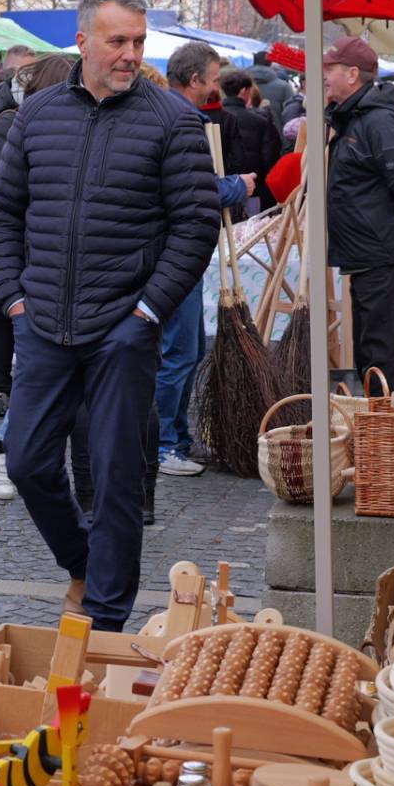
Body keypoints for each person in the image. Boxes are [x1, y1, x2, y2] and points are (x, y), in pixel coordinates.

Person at [0, 0, 216, 631]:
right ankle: (85, 567)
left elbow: (196, 225)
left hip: (123, 328)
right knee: (27, 460)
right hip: (44, 325)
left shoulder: (173, 120)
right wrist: (13, 298)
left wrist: (147, 313)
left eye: (138, 42)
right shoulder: (37, 115)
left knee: (117, 478)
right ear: (82, 41)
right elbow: (2, 211)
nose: (130, 54)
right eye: (117, 41)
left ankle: (107, 620)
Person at [0, 57, 77, 492]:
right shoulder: (15, 123)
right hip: (28, 261)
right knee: (36, 368)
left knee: (53, 374)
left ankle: (24, 452)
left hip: (57, 263)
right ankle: (4, 449)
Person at [156, 42, 254, 477]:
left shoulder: (170, 114)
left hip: (180, 251)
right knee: (179, 351)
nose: (216, 88)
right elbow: (197, 188)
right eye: (213, 80)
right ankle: (162, 444)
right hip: (175, 251)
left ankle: (175, 436)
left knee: (189, 348)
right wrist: (236, 187)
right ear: (194, 79)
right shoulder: (180, 120)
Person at [323, 35, 394, 389]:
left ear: (352, 74)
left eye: (332, 68)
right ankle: (378, 430)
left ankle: (384, 435)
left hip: (384, 255)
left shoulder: (377, 121)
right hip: (372, 254)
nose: (325, 74)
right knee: (372, 356)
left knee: (379, 358)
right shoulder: (356, 117)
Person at [217, 68, 285, 210]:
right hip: (254, 191)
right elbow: (271, 159)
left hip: (221, 190)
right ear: (244, 91)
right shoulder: (260, 122)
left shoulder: (215, 119)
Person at [248, 50, 295, 130]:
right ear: (270, 64)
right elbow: (290, 117)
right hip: (276, 137)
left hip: (243, 138)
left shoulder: (240, 84)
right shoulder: (284, 87)